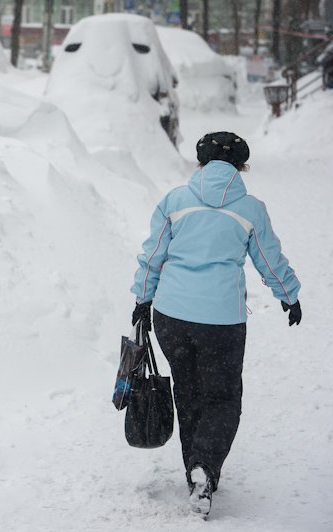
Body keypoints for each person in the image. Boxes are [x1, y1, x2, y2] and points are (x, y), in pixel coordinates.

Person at [130, 132, 301, 517]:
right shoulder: (251, 209)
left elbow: (153, 255)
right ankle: (205, 467)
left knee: (188, 392)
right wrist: (289, 296)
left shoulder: (175, 201)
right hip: (221, 323)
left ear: (201, 163)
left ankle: (196, 474)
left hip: (172, 316)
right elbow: (269, 259)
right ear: (241, 166)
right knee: (222, 397)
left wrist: (142, 299)